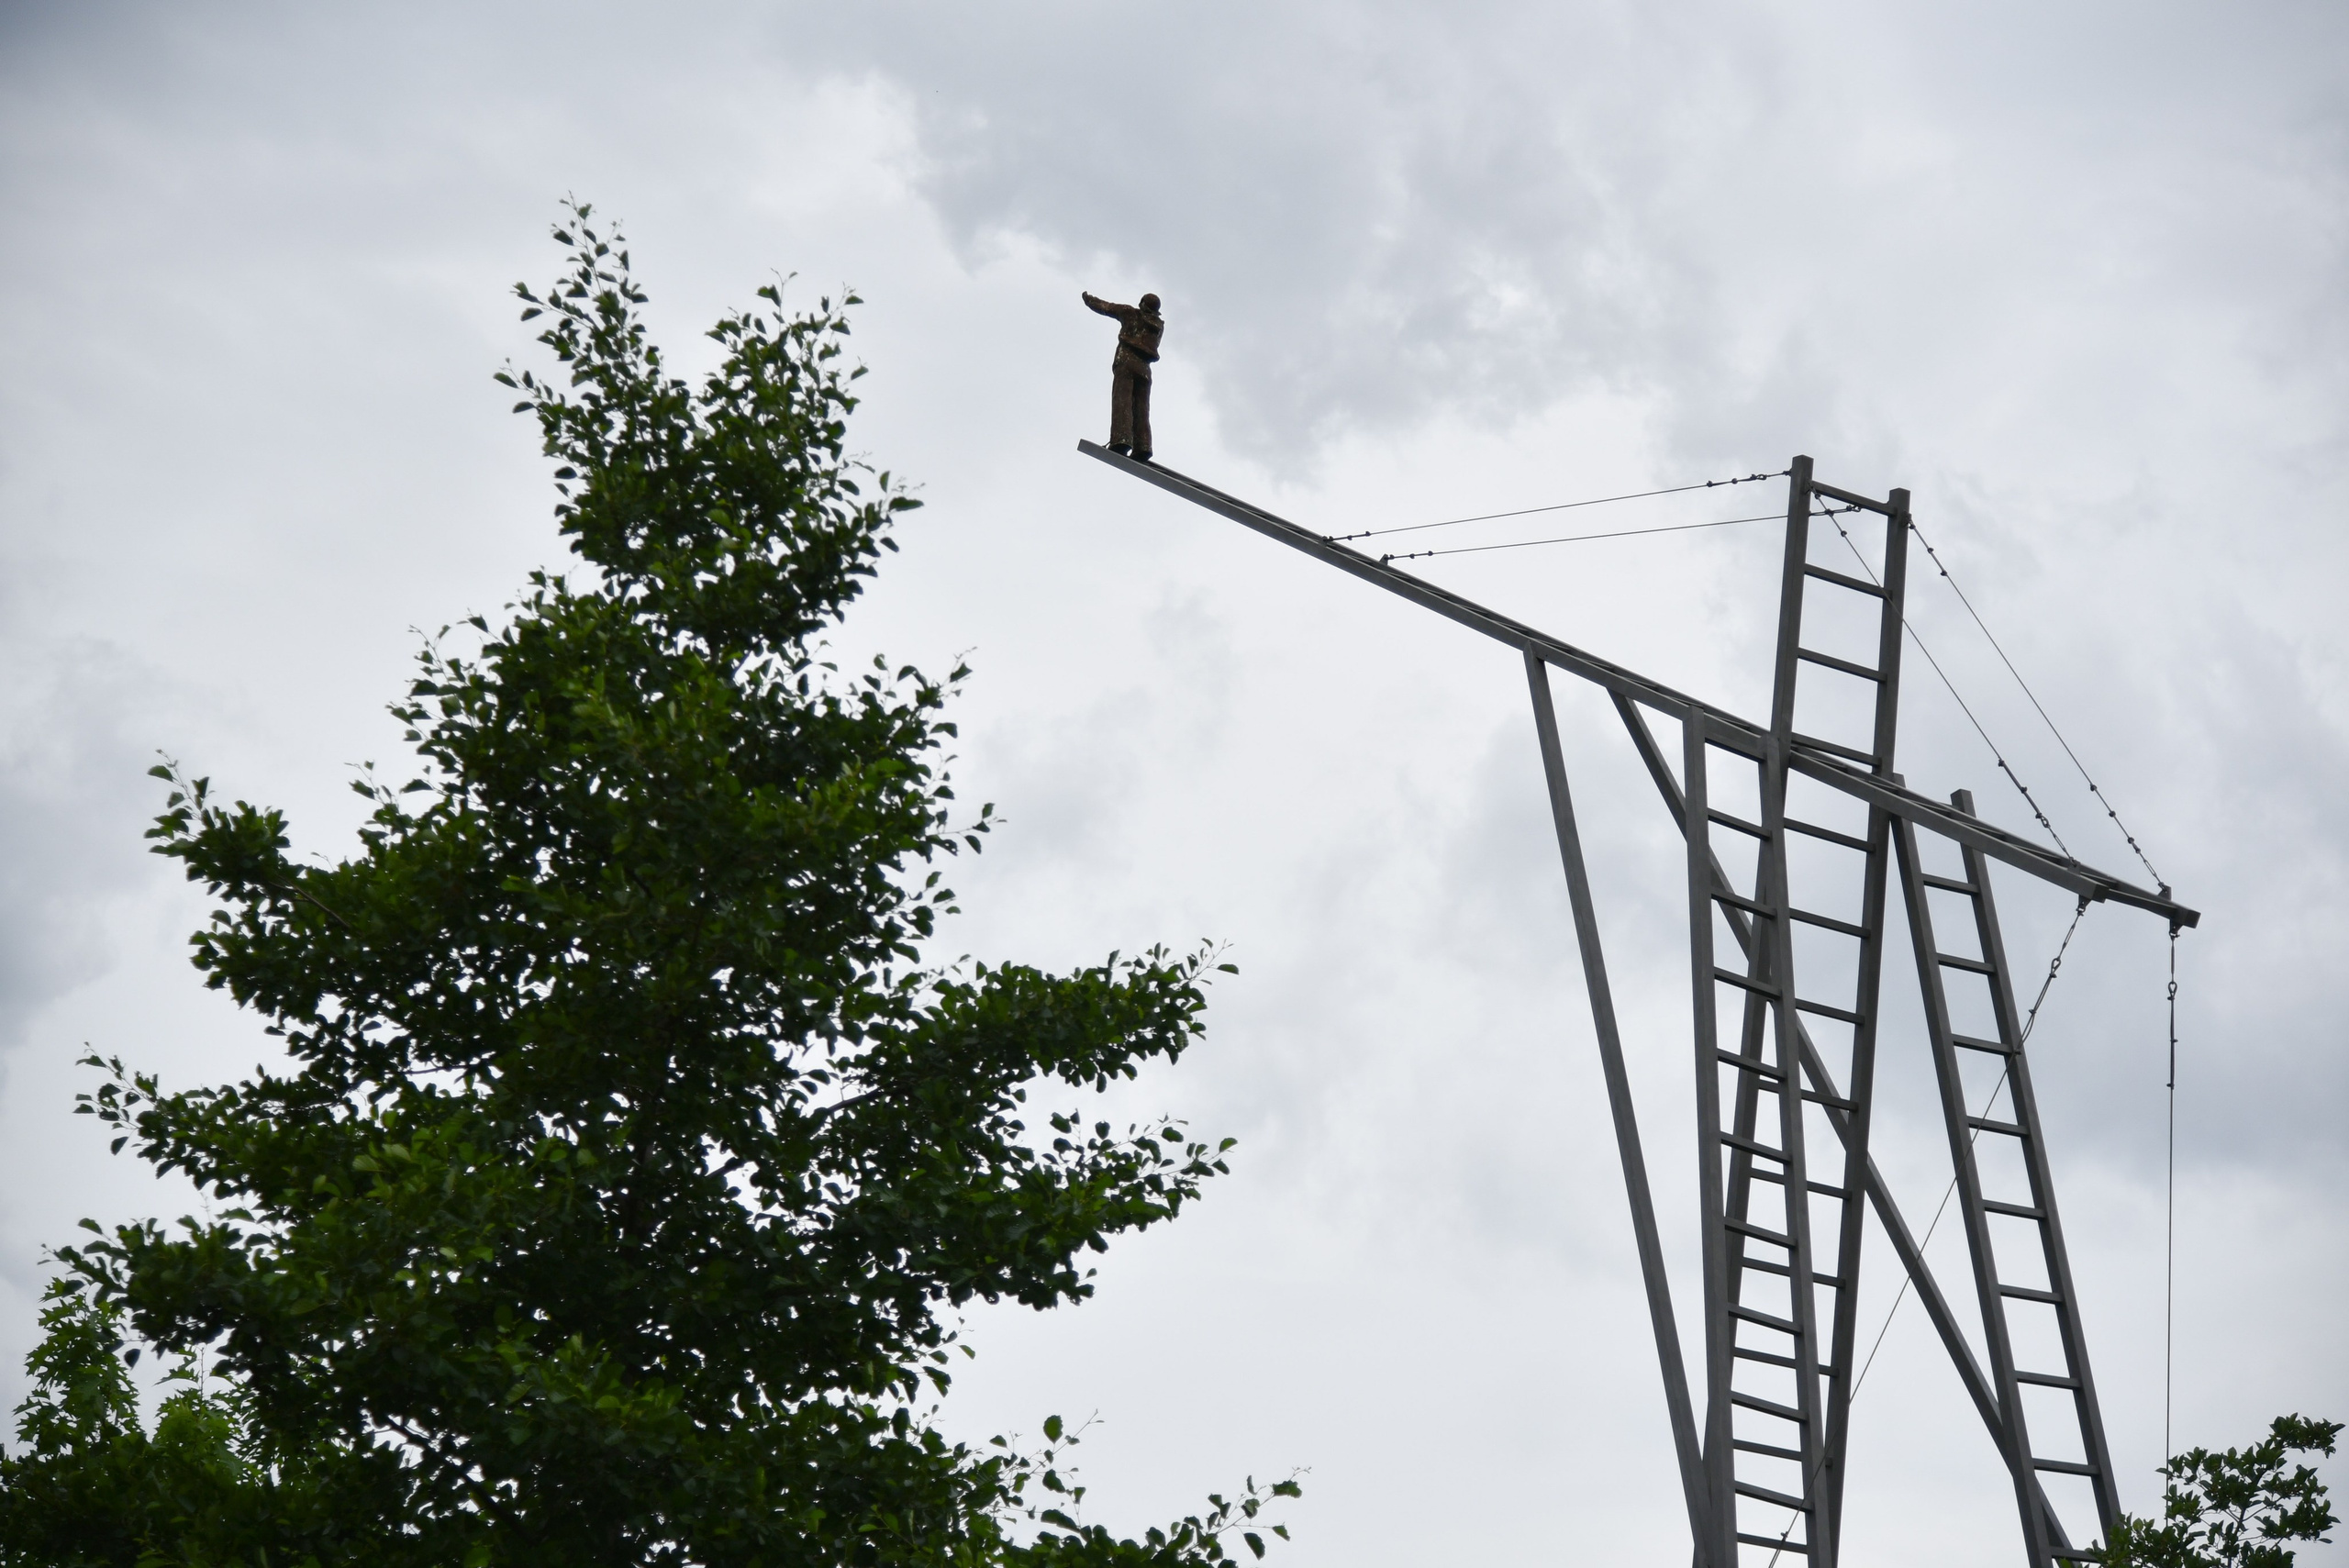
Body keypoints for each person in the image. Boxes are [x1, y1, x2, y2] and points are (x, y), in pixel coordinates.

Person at [1081, 290, 1163, 460]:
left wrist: (1089, 300)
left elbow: (1106, 307)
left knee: (1122, 401)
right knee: (1142, 408)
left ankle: (1121, 440)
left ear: (1142, 304)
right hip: (1145, 369)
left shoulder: (1130, 313)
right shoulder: (1158, 326)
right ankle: (1143, 446)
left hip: (1127, 361)